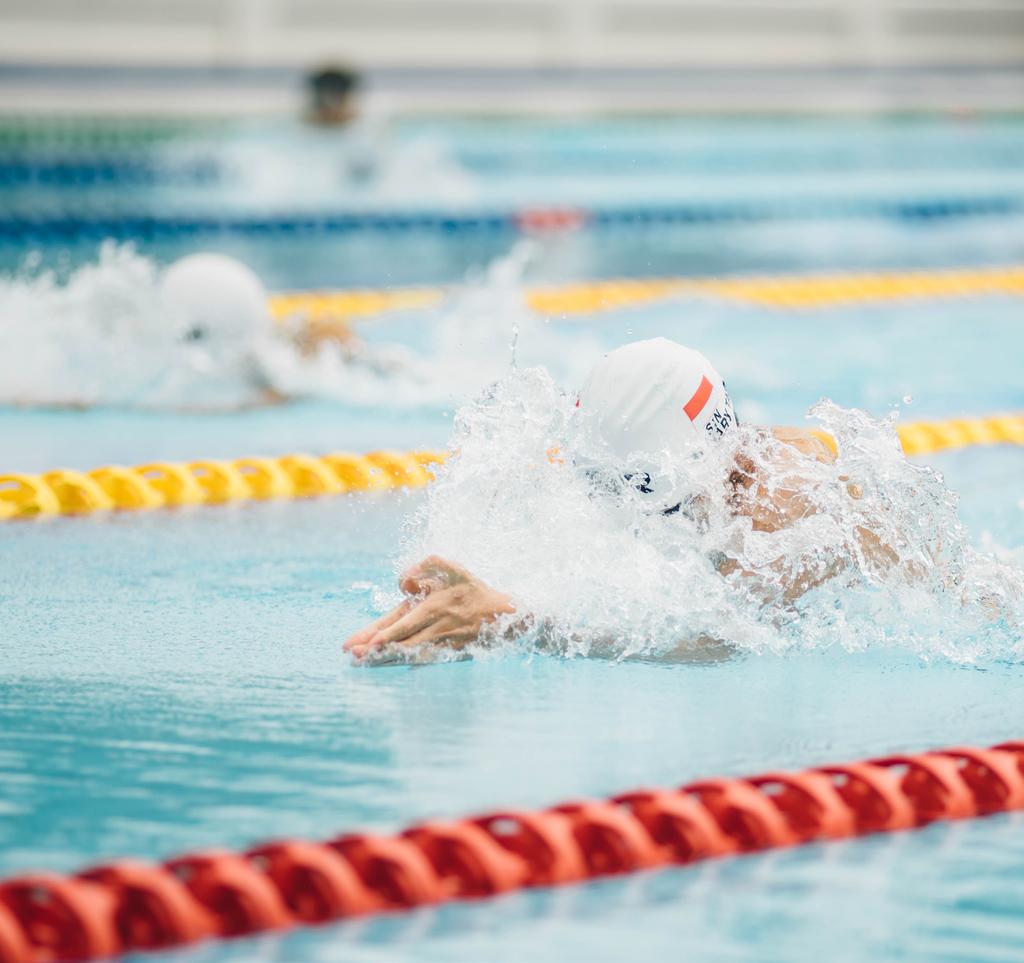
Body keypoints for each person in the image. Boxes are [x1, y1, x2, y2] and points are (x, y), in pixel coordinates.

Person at [344, 337, 903, 664]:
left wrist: (515, 621)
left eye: (661, 508)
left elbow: (714, 641)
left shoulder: (789, 498)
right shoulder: (673, 458)